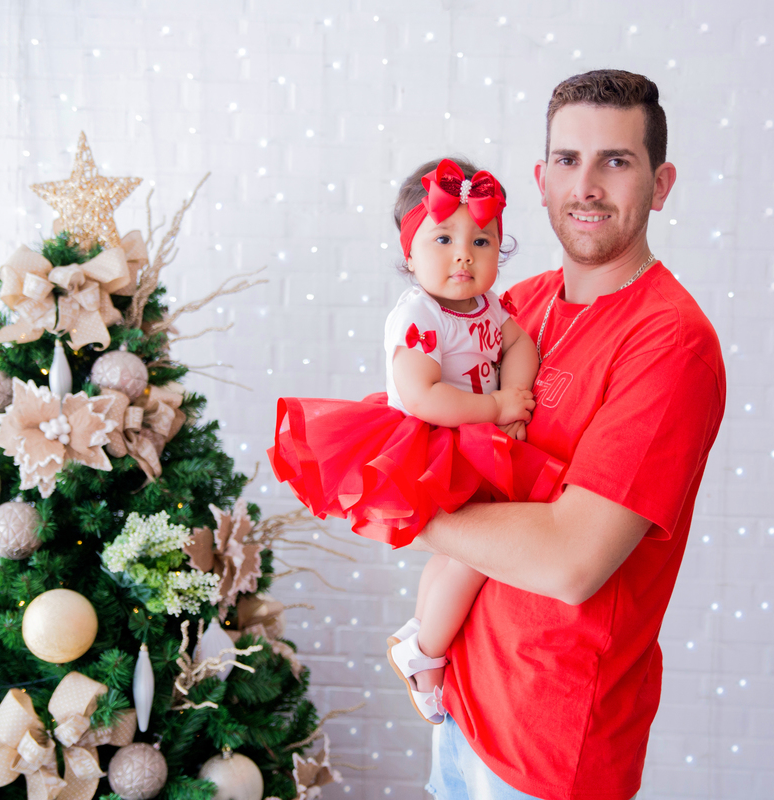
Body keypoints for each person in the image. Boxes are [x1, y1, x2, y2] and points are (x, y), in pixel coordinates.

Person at [411, 70, 727, 800]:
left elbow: (571, 562)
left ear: (661, 181)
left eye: (616, 161)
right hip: (462, 709)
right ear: (540, 179)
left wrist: (403, 507)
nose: (586, 185)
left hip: (553, 752)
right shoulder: (513, 306)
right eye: (567, 160)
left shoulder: (670, 344)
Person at [267, 158, 568, 725]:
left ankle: (420, 630)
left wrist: (517, 393)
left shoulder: (488, 306)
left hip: (473, 435)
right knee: (480, 555)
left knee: (463, 549)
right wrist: (494, 406)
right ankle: (425, 654)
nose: (464, 254)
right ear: (409, 255)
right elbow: (424, 394)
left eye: (481, 240)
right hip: (427, 442)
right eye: (443, 238)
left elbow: (519, 343)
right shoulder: (419, 313)